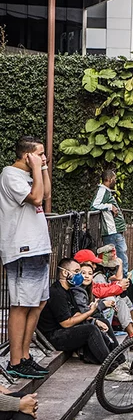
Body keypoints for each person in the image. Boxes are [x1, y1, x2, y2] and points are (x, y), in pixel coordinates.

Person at [0, 136, 52, 379]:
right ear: (25, 155)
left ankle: (26, 356)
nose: (44, 158)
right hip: (23, 247)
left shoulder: (33, 173)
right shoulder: (10, 175)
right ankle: (15, 360)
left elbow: (47, 193)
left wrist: (41, 169)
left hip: (39, 247)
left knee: (38, 302)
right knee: (21, 304)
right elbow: (37, 198)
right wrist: (36, 168)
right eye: (39, 154)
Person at [37, 259, 118, 366]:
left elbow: (76, 314)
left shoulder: (68, 290)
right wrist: (90, 313)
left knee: (102, 322)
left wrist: (95, 320)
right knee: (90, 330)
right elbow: (66, 323)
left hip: (64, 330)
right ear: (65, 273)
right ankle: (110, 367)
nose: (80, 275)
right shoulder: (56, 293)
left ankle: (119, 359)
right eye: (76, 271)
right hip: (54, 336)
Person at [74, 249, 133, 338]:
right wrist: (103, 304)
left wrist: (118, 285)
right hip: (86, 320)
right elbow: (85, 310)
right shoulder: (78, 287)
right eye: (92, 264)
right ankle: (132, 335)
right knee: (113, 302)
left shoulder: (88, 281)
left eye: (89, 273)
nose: (95, 266)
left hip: (90, 316)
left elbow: (100, 287)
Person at [91, 170, 129, 275]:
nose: (115, 181)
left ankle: (113, 279)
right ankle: (122, 280)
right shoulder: (102, 190)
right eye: (114, 179)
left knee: (111, 258)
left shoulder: (105, 191)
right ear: (108, 179)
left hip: (113, 231)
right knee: (120, 257)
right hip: (112, 230)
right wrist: (110, 206)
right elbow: (94, 205)